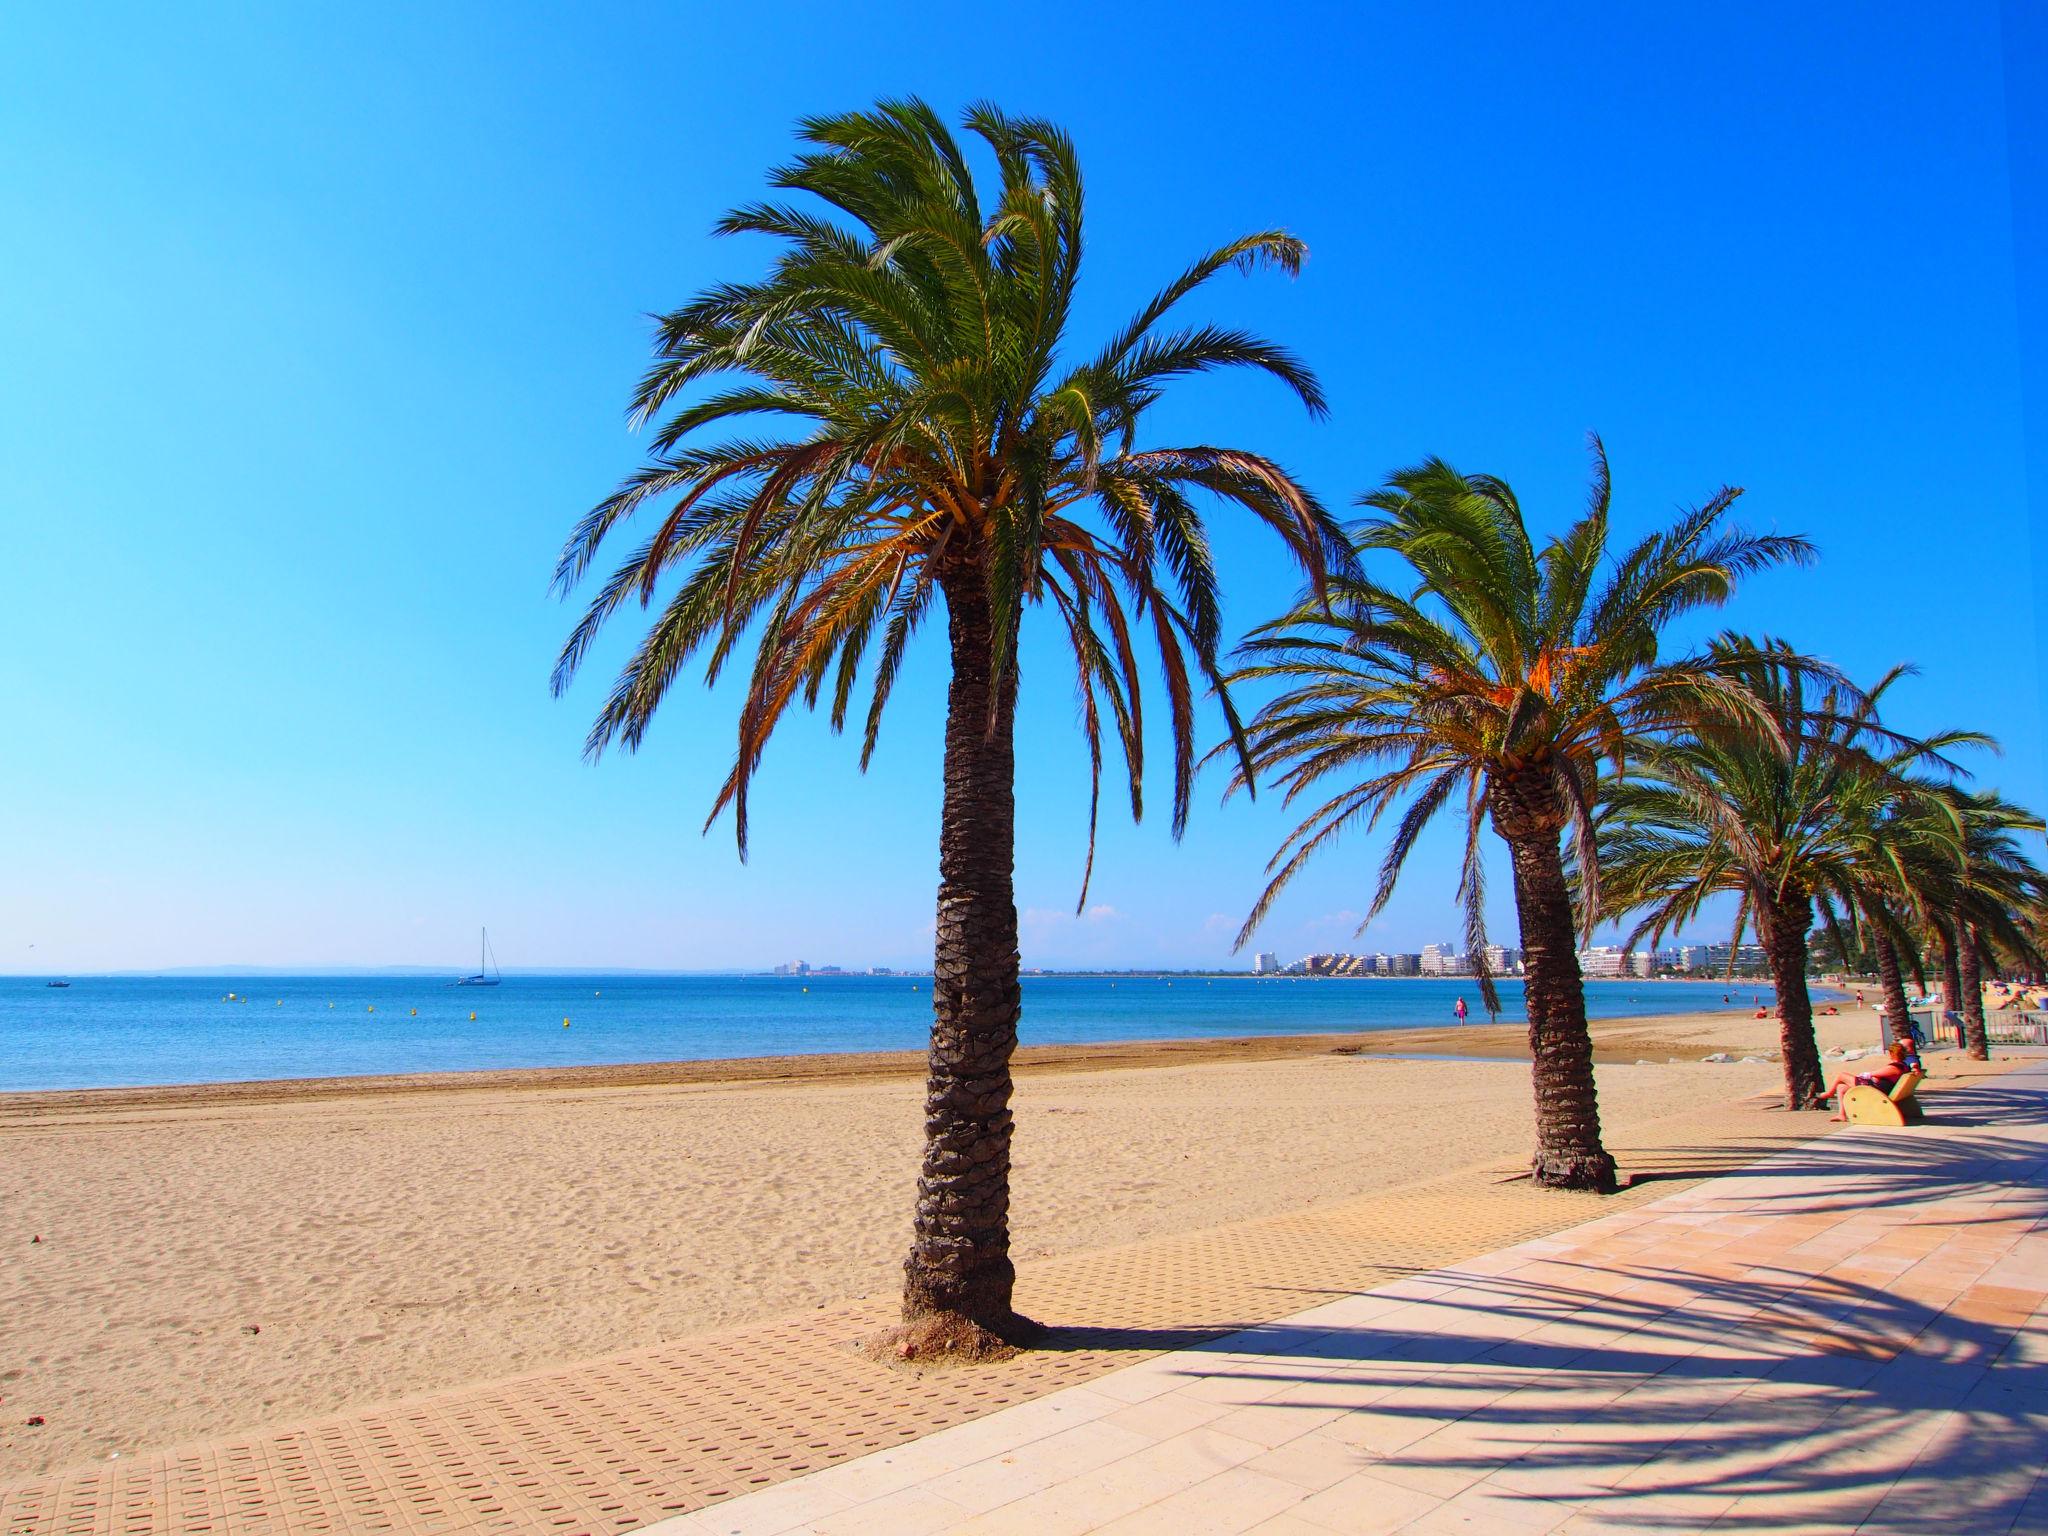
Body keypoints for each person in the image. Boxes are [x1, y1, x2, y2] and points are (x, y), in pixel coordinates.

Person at [1826, 1041, 1920, 1121]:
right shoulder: (1903, 1066)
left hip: (1875, 1089)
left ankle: (1829, 1093)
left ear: (1892, 1053)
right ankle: (1842, 1115)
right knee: (1841, 1087)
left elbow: (1874, 1074)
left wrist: (1868, 1075)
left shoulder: (1894, 1067)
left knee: (1841, 1075)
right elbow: (1913, 1064)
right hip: (1878, 1087)